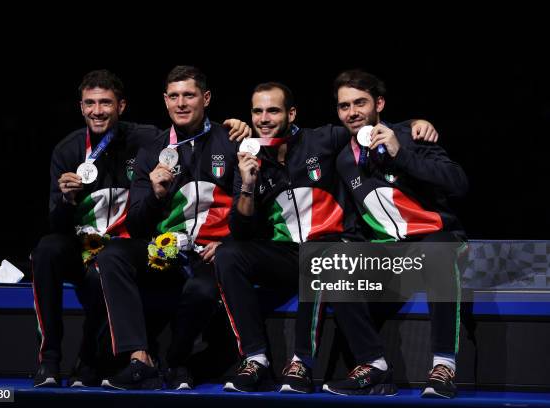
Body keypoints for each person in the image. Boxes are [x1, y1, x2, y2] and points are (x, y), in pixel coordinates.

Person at [214, 81, 438, 393]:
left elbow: (365, 125)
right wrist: (249, 183)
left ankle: (302, 363)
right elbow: (241, 231)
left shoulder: (323, 139)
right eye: (258, 111)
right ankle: (255, 360)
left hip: (332, 249)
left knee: (319, 253)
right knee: (228, 254)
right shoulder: (249, 158)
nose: (264, 118)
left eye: (274, 110)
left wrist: (414, 124)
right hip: (285, 255)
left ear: (291, 113)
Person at [98, 65, 250, 390]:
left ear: (205, 98)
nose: (181, 103)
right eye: (174, 96)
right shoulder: (152, 150)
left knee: (203, 291)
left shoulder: (232, 140)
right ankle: (140, 358)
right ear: (165, 101)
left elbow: (249, 208)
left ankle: (176, 361)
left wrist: (230, 242)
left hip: (210, 255)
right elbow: (137, 225)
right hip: (164, 252)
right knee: (113, 254)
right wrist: (154, 194)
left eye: (189, 95)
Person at [321, 69, 468, 399]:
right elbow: (358, 219)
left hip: (438, 240)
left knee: (436, 250)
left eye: (360, 102)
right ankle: (373, 365)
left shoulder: (413, 135)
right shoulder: (345, 159)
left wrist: (403, 154)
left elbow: (458, 183)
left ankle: (444, 366)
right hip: (391, 255)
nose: (352, 112)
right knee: (330, 261)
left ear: (380, 104)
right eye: (344, 106)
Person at [32, 69, 163, 387]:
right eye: (90, 103)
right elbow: (57, 223)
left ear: (121, 106)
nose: (97, 110)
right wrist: (66, 200)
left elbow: (185, 136)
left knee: (105, 268)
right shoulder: (68, 150)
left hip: (124, 249)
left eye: (106, 102)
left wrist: (236, 131)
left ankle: (92, 360)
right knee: (46, 249)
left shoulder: (146, 139)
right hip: (82, 247)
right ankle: (49, 361)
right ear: (80, 107)